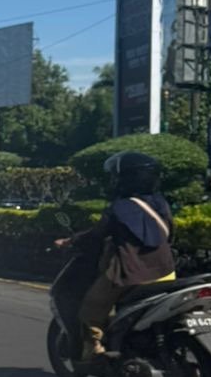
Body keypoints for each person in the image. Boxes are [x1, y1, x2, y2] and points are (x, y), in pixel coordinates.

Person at [54, 150, 175, 356]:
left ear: (124, 178)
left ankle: (94, 351)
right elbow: (170, 234)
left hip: (130, 275)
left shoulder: (118, 209)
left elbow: (96, 236)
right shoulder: (160, 204)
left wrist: (70, 241)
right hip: (166, 271)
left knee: (89, 310)